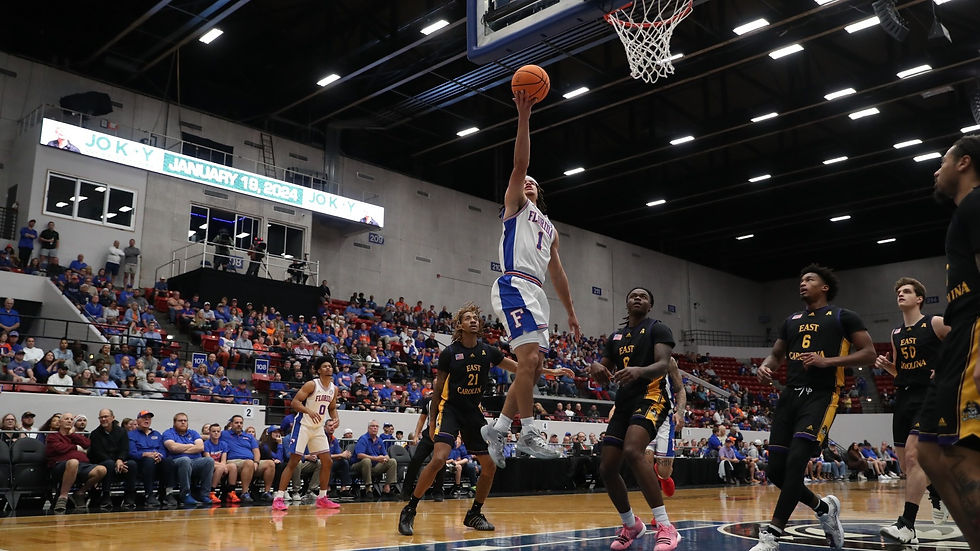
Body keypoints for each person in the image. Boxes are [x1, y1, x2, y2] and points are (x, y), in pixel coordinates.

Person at [483, 90, 581, 463]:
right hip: (513, 283)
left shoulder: (550, 229)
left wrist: (571, 312)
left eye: (533, 182)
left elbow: (559, 273)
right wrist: (524, 117)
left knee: (534, 367)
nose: (527, 182)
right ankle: (528, 433)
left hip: (537, 292)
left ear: (541, 192)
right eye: (524, 181)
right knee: (527, 362)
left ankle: (498, 429)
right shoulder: (515, 207)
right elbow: (520, 164)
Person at [750, 264, 876, 551]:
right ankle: (823, 508)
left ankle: (772, 535)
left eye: (810, 279)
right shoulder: (791, 320)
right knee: (775, 472)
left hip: (822, 396)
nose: (803, 283)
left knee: (796, 462)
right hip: (790, 396)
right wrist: (765, 367)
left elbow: (869, 353)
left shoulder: (844, 316)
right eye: (801, 279)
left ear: (825, 287)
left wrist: (827, 361)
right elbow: (776, 355)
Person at [917, 133, 980, 549]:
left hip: (975, 331)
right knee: (929, 452)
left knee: (961, 453)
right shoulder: (963, 214)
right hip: (959, 338)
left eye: (942, 161)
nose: (936, 170)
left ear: (964, 162)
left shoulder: (976, 203)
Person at [399, 304, 508, 536]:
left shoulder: (488, 351)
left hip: (473, 412)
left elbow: (521, 368)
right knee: (439, 458)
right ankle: (410, 509)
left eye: (475, 317)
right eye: (468, 318)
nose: (473, 320)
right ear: (460, 325)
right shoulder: (449, 353)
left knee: (490, 464)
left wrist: (549, 371)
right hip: (450, 409)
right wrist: (432, 421)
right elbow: (438, 390)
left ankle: (474, 513)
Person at [587, 287, 680, 551]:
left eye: (643, 296)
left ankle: (666, 526)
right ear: (627, 303)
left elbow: (662, 364)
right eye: (633, 296)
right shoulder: (615, 337)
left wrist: (638, 371)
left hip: (652, 396)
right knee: (607, 467)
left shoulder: (657, 328)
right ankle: (631, 525)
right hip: (625, 402)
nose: (637, 298)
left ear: (650, 305)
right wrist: (596, 367)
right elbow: (603, 370)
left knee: (632, 450)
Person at [874, 277, 950, 542]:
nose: (900, 294)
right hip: (904, 398)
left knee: (914, 457)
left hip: (930, 396)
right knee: (908, 468)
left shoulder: (935, 323)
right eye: (898, 291)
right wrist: (889, 368)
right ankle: (938, 490)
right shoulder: (895, 334)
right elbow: (901, 371)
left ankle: (907, 525)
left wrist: (946, 369)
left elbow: (965, 342)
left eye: (906, 291)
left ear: (919, 298)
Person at [272, 358, 342, 511]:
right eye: (325, 366)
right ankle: (278, 498)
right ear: (318, 370)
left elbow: (331, 408)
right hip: (303, 426)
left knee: (327, 461)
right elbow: (295, 403)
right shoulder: (312, 384)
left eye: (330, 366)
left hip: (318, 428)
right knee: (294, 462)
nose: (328, 368)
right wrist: (308, 411)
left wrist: (336, 418)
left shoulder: (334, 389)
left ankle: (322, 498)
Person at [45, 412, 107, 514]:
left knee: (102, 469)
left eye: (71, 419)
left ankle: (80, 493)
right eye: (66, 419)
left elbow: (87, 444)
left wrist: (72, 434)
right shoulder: (53, 436)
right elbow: (59, 448)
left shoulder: (74, 436)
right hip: (60, 465)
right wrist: (76, 447)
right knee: (73, 462)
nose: (69, 421)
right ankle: (63, 496)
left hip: (81, 465)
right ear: (60, 423)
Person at [644, 357, 686, 498]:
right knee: (645, 465)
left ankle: (663, 477)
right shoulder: (636, 354)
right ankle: (656, 505)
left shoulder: (668, 360)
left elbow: (680, 389)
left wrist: (680, 412)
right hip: (644, 416)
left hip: (665, 419)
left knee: (664, 472)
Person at [88, 408, 138, 510]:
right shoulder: (95, 434)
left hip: (119, 461)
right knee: (109, 463)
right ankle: (106, 496)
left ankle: (129, 496)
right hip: (103, 462)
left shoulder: (122, 431)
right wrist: (116, 462)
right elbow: (98, 453)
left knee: (132, 464)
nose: (103, 419)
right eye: (101, 417)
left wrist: (120, 459)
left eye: (106, 416)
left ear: (113, 418)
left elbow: (125, 449)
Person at [399, 395, 446, 502]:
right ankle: (406, 490)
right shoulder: (429, 401)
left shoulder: (449, 400)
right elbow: (422, 419)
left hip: (442, 434)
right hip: (428, 434)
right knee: (416, 460)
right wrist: (416, 435)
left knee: (441, 462)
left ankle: (438, 491)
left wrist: (458, 436)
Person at [129, 409, 179, 508]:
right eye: (144, 418)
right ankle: (149, 495)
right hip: (141, 463)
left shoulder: (157, 434)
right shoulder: (131, 434)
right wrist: (145, 454)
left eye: (149, 418)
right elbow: (131, 452)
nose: (147, 420)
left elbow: (163, 450)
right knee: (149, 461)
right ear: (138, 420)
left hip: (157, 461)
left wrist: (159, 456)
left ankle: (167, 493)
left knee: (168, 461)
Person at [162, 412, 214, 506]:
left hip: (195, 461)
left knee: (209, 461)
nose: (183, 422)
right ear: (174, 422)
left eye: (185, 421)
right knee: (185, 459)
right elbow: (172, 448)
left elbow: (200, 447)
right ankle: (185, 494)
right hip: (177, 461)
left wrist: (181, 448)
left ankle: (204, 494)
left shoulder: (193, 433)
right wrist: (190, 445)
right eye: (180, 421)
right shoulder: (168, 433)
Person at [220, 414, 275, 502]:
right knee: (248, 463)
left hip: (251, 462)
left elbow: (256, 451)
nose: (239, 425)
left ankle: (266, 492)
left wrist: (256, 462)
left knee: (270, 463)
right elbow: (211, 436)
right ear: (231, 424)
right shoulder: (224, 434)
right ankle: (244, 493)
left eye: (241, 423)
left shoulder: (249, 436)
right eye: (236, 423)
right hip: (233, 462)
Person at [354, 420, 398, 498]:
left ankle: (387, 488)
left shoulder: (379, 440)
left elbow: (386, 454)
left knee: (392, 461)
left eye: (377, 426)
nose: (375, 428)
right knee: (366, 461)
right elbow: (359, 455)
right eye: (373, 426)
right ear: (368, 428)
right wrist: (376, 458)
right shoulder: (363, 439)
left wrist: (385, 458)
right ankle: (368, 489)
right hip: (359, 465)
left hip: (374, 466)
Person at [204, 423, 240, 503]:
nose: (216, 433)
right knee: (220, 467)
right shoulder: (206, 444)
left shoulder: (223, 444)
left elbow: (224, 459)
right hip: (209, 464)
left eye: (218, 431)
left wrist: (223, 466)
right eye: (214, 431)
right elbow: (208, 459)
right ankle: (211, 492)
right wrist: (223, 467)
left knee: (233, 466)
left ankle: (231, 492)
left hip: (220, 464)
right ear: (209, 432)